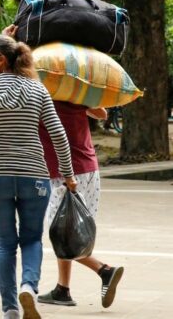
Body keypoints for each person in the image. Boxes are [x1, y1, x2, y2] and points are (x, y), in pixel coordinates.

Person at [0, 33, 77, 319]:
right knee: (31, 239)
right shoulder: (37, 90)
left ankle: (10, 308)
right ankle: (29, 285)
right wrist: (68, 174)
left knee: (4, 242)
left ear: (1, 60)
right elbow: (59, 135)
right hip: (34, 176)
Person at [37, 103, 124, 308]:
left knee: (60, 233)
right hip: (89, 168)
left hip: (64, 173)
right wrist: (79, 105)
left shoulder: (41, 95)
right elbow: (101, 113)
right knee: (68, 228)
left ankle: (104, 270)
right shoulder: (76, 92)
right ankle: (62, 289)